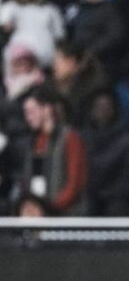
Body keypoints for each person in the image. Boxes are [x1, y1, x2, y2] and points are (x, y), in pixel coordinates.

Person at [19, 85, 88, 216]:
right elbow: (36, 182)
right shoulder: (35, 142)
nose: (28, 117)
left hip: (68, 215)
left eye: (31, 112)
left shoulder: (70, 138)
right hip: (42, 216)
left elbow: (75, 182)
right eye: (26, 113)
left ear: (47, 109)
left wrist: (51, 207)